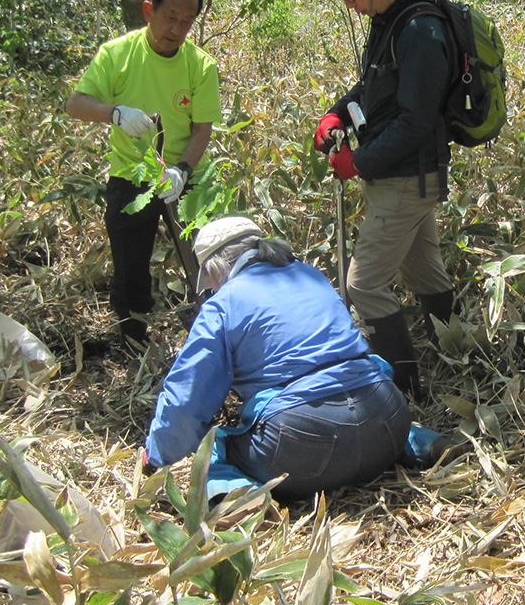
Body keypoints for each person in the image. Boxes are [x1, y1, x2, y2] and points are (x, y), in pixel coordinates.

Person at [142, 216, 412, 504]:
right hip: (387, 418)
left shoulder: (222, 305)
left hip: (303, 443)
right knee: (372, 369)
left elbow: (187, 397)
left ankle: (234, 499)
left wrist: (156, 455)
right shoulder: (310, 275)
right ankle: (422, 443)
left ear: (215, 270)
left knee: (217, 444)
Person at [312, 0, 457, 399]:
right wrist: (336, 114)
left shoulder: (421, 32)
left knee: (364, 285)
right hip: (401, 176)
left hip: (407, 178)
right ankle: (462, 357)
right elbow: (373, 89)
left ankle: (406, 391)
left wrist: (358, 161)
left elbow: (417, 121)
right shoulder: (389, 20)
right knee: (424, 272)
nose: (350, 5)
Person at [66, 0, 222, 350]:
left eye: (187, 21)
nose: (177, 29)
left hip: (186, 174)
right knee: (130, 265)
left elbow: (202, 129)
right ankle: (133, 339)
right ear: (149, 11)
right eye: (170, 17)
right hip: (131, 173)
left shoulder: (200, 66)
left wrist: (182, 171)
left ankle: (216, 332)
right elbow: (75, 104)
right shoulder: (117, 55)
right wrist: (115, 113)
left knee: (207, 259)